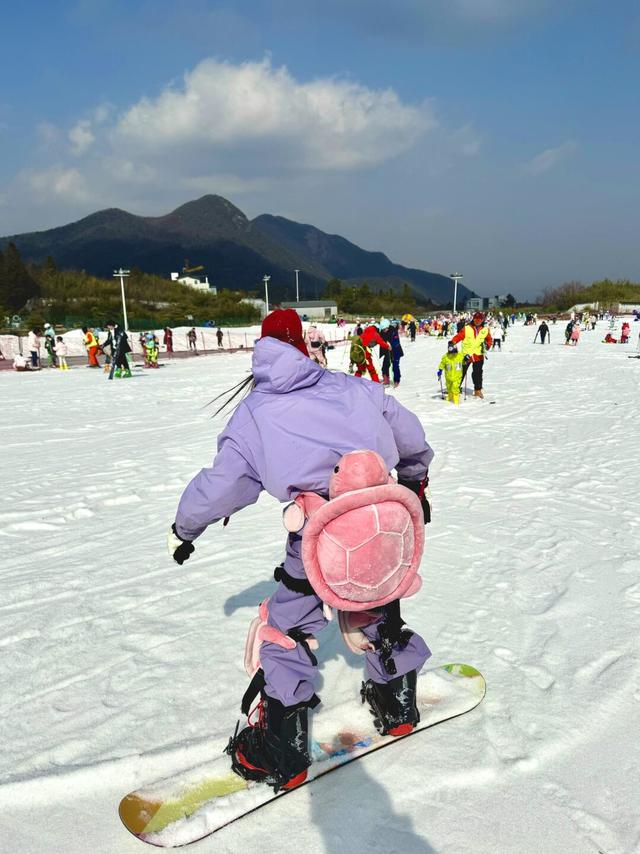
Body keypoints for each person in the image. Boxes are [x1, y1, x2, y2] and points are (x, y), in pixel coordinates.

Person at [168, 308, 434, 792]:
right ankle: (397, 707)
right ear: (302, 347)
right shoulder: (355, 388)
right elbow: (411, 436)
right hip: (382, 523)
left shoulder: (254, 414)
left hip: (318, 534)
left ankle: (283, 751)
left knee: (286, 625)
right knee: (376, 603)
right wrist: (415, 480)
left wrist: (184, 529)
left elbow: (221, 485)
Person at [450, 312, 492, 399]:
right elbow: (459, 336)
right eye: (476, 319)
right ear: (473, 319)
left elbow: (489, 340)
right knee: (460, 372)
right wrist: (452, 342)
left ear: (482, 320)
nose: (477, 321)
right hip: (466, 355)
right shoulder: (467, 328)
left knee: (478, 374)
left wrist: (487, 345)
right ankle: (455, 388)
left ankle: (478, 390)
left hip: (478, 355)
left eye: (480, 319)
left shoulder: (485, 330)